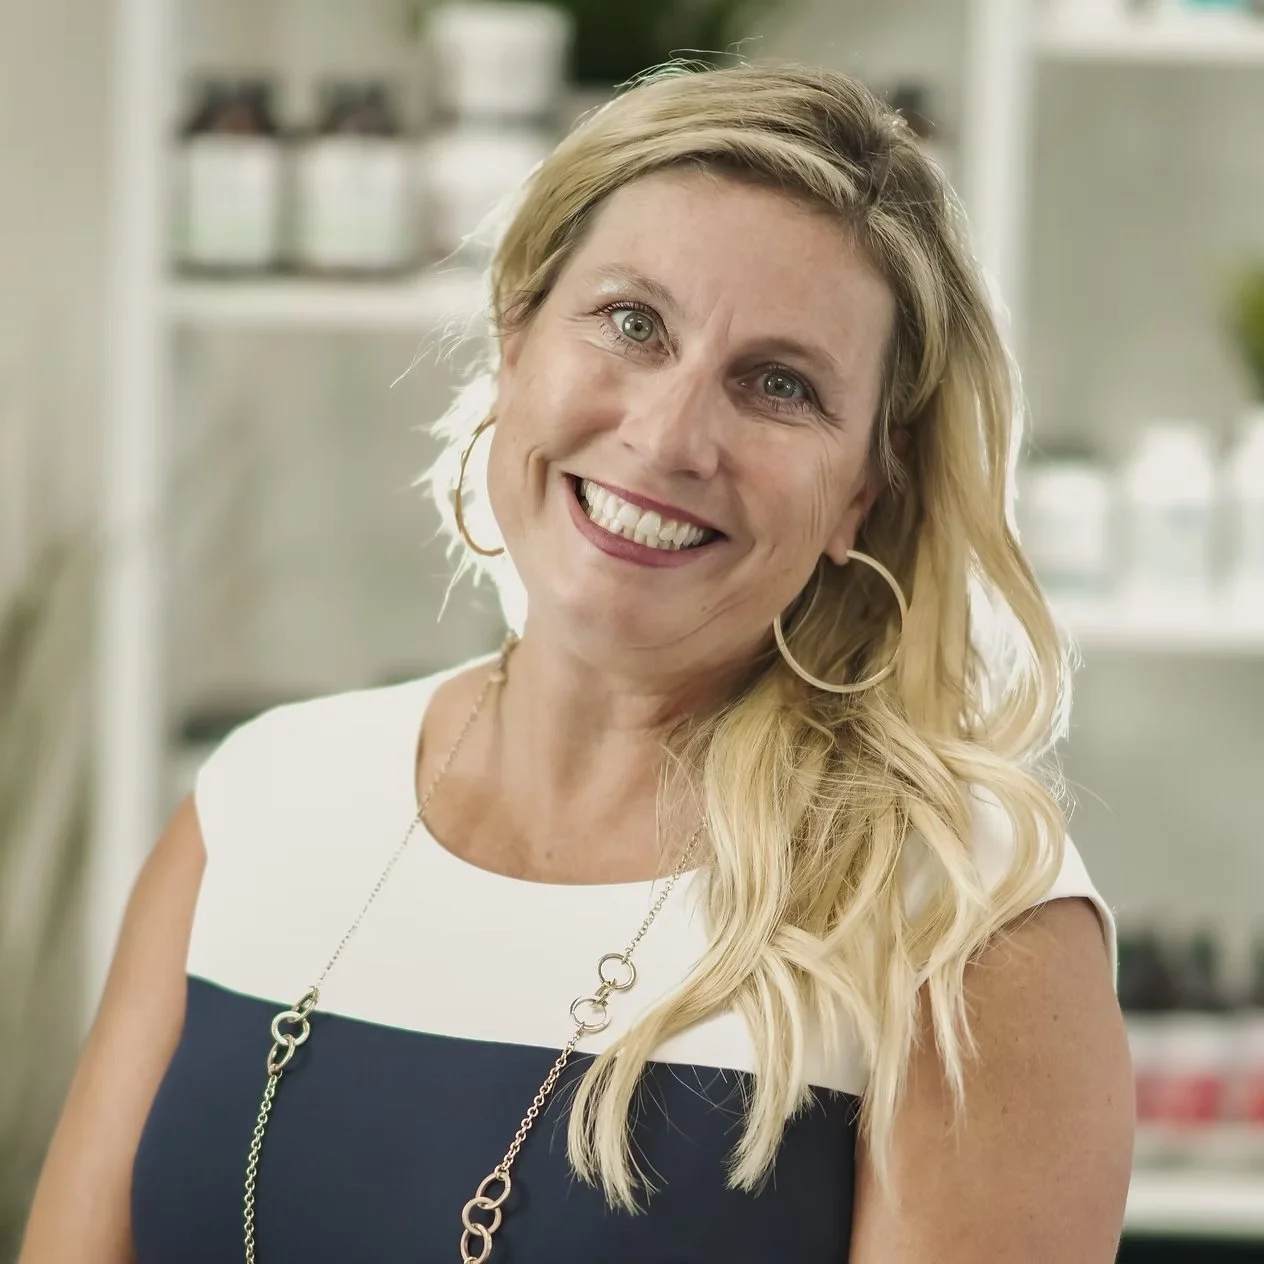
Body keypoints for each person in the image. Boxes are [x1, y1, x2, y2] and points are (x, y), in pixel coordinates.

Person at [20, 61, 1133, 1263]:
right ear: (514, 341)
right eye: (630, 322)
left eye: (778, 384)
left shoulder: (963, 926)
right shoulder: (258, 800)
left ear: (861, 487)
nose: (665, 437)